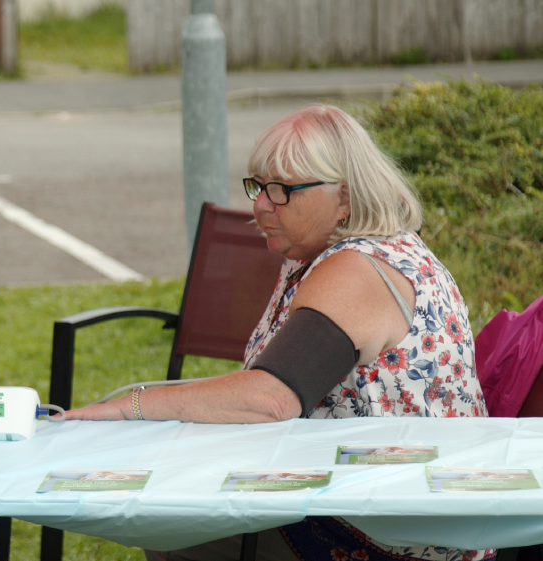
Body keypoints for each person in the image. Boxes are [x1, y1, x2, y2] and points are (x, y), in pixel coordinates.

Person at [67, 105, 490, 561]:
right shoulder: (346, 251)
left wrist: (132, 405)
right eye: (259, 186)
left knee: (173, 530)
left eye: (282, 190)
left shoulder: (357, 269)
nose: (260, 205)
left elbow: (272, 397)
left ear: (344, 199)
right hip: (385, 500)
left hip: (395, 528)